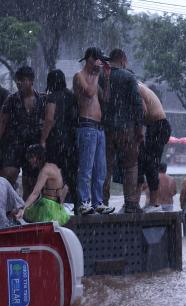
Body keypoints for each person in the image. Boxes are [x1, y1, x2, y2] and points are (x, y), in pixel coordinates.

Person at [100, 48, 145, 213]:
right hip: (127, 129)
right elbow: (137, 104)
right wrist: (139, 129)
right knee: (130, 165)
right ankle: (131, 203)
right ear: (123, 59)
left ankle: (103, 202)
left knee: (106, 166)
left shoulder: (101, 76)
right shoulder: (128, 77)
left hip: (105, 129)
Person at [73, 47, 114, 215]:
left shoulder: (96, 79)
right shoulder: (79, 76)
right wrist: (97, 74)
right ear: (89, 59)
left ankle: (98, 202)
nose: (99, 63)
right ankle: (83, 202)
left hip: (99, 128)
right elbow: (89, 93)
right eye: (97, 60)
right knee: (86, 168)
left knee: (100, 169)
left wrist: (107, 78)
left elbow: (106, 98)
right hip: (86, 126)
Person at [0, 66, 45, 194]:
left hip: (33, 145)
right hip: (14, 143)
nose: (19, 83)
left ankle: (27, 211)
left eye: (23, 79)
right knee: (8, 174)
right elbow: (2, 122)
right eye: (17, 80)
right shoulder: (11, 99)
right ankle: (7, 205)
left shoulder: (42, 100)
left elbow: (47, 122)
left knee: (30, 181)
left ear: (31, 81)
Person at [40, 69, 80, 210]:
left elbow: (49, 119)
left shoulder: (52, 97)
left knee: (54, 173)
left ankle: (53, 206)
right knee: (71, 174)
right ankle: (77, 204)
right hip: (71, 140)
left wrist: (43, 139)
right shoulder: (72, 96)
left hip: (56, 141)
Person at [136, 81, 171, 211]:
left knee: (151, 164)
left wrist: (137, 129)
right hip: (156, 127)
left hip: (158, 127)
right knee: (143, 163)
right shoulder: (140, 85)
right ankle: (136, 202)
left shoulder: (136, 87)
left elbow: (143, 111)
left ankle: (154, 204)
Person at [21, 144, 71, 226]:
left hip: (47, 207)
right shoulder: (53, 166)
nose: (29, 160)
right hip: (55, 206)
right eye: (28, 157)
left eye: (31, 157)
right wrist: (60, 205)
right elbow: (65, 187)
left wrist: (24, 208)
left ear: (39, 157)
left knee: (24, 213)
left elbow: (35, 193)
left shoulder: (45, 171)